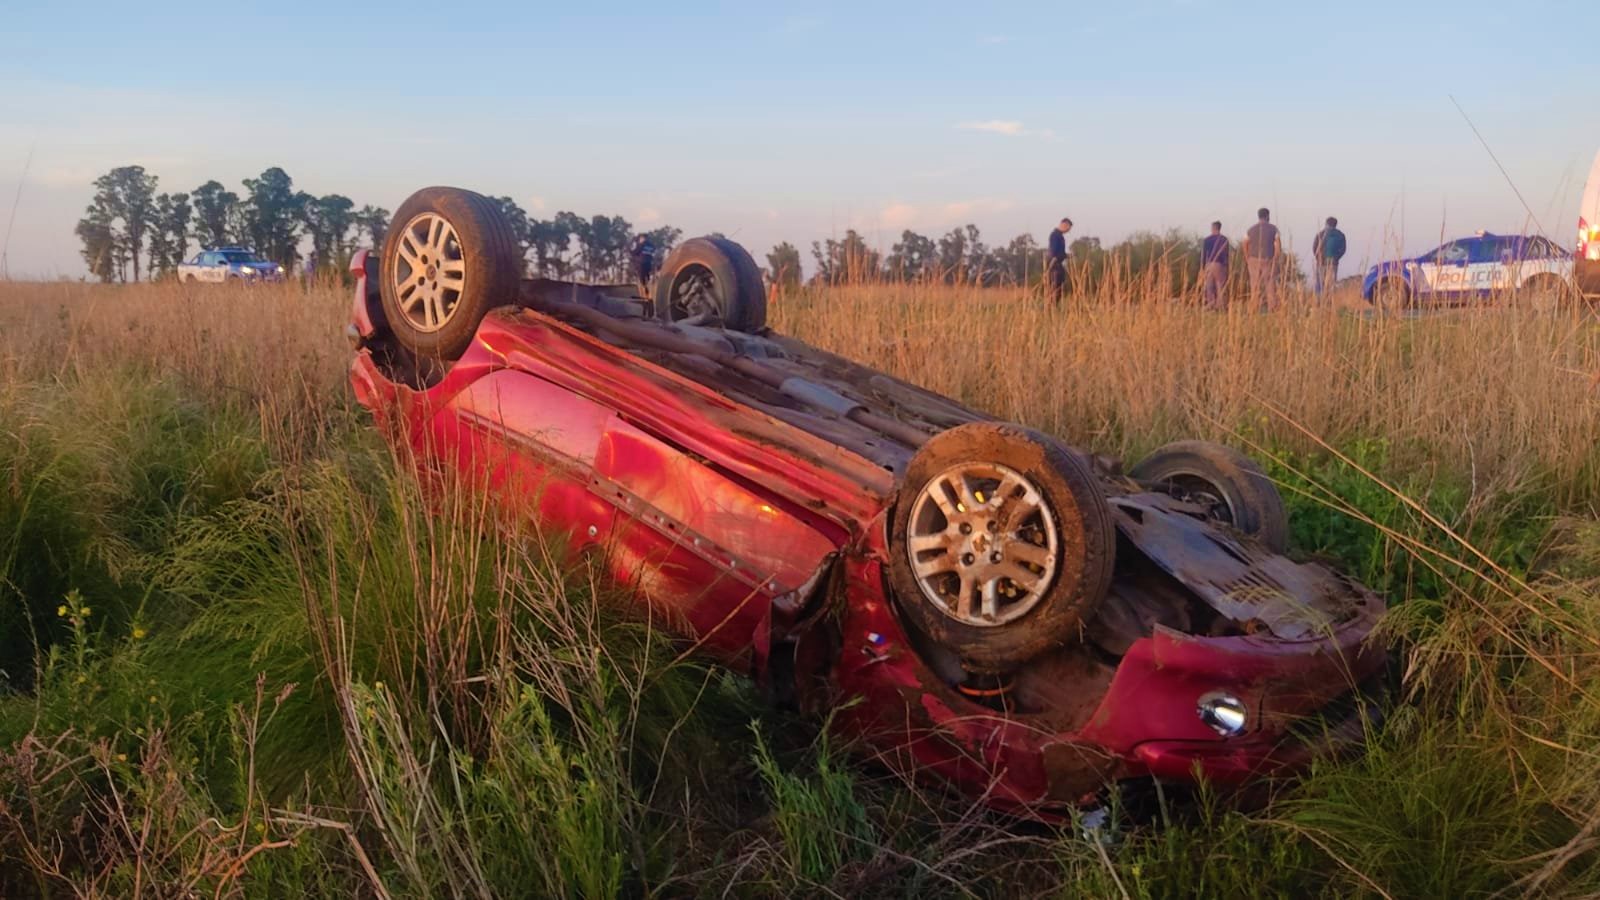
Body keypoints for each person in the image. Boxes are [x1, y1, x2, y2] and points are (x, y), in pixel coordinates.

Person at [1242, 207, 1282, 311]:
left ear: (1258, 216)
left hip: (1253, 259)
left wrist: (1247, 257)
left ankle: (1254, 307)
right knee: (1270, 284)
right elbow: (1278, 244)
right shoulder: (1274, 229)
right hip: (1268, 259)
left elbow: (1245, 243)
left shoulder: (1251, 229)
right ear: (1267, 216)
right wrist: (1276, 257)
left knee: (1254, 284)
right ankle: (1272, 307)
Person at [1311, 216, 1346, 301]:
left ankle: (1318, 302)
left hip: (1321, 263)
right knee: (1331, 284)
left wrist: (1318, 258)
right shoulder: (1340, 235)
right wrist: (1336, 258)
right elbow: (1343, 249)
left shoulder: (1320, 234)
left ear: (1326, 223)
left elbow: (1314, 248)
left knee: (1320, 283)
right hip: (1333, 264)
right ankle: (1329, 302)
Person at [1201, 221, 1230, 310]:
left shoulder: (1206, 240)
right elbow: (1226, 254)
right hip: (1219, 264)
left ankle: (1210, 304)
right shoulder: (1224, 239)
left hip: (1209, 264)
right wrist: (1226, 265)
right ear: (1219, 228)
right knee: (1220, 285)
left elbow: (1203, 254)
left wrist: (1202, 266)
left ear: (1212, 228)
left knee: (1209, 285)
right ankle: (1220, 305)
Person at [1046, 217, 1072, 307]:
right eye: (1068, 229)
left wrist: (1066, 255)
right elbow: (1054, 252)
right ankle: (1050, 307)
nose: (1068, 231)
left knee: (1059, 288)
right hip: (1055, 265)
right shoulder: (1055, 235)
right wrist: (1051, 265)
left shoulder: (1060, 236)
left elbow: (1060, 252)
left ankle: (1053, 307)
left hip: (1058, 264)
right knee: (1055, 288)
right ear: (1064, 225)